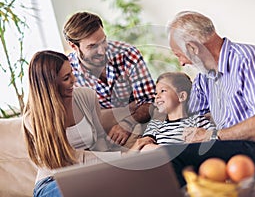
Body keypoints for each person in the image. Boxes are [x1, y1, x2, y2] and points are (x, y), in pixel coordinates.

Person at [165, 11, 255, 187]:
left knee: (170, 157)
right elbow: (187, 116)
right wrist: (149, 137)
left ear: (193, 48)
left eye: (178, 54)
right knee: (160, 158)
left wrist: (211, 135)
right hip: (231, 148)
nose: (181, 63)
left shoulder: (249, 59)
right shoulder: (205, 77)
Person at [23, 50, 131, 197]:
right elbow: (68, 158)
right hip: (52, 181)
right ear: (50, 84)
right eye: (67, 77)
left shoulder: (87, 96)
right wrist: (123, 156)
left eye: (72, 73)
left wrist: (128, 159)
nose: (74, 80)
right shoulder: (33, 118)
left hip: (87, 174)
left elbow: (99, 141)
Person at [63, 11, 156, 147]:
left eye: (103, 41)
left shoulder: (128, 55)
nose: (102, 51)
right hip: (98, 135)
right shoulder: (68, 71)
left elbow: (151, 102)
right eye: (92, 46)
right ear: (73, 46)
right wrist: (127, 109)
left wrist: (127, 122)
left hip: (137, 124)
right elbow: (83, 119)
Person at [130, 72, 215, 151]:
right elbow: (144, 147)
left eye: (162, 91)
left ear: (181, 96)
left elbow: (215, 140)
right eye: (156, 93)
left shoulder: (198, 121)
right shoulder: (155, 125)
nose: (157, 96)